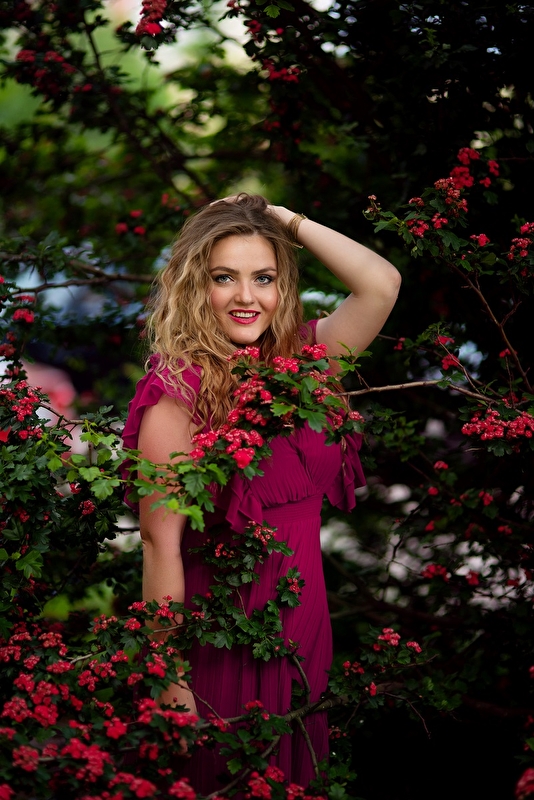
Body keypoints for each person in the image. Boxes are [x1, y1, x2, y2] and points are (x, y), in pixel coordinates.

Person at [122, 194, 401, 790]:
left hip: (301, 626)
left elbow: (380, 284)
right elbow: (158, 543)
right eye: (224, 277)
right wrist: (170, 677)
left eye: (264, 278)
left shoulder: (304, 364)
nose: (246, 297)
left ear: (283, 285)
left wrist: (280, 217)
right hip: (221, 634)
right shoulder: (179, 390)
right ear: (195, 287)